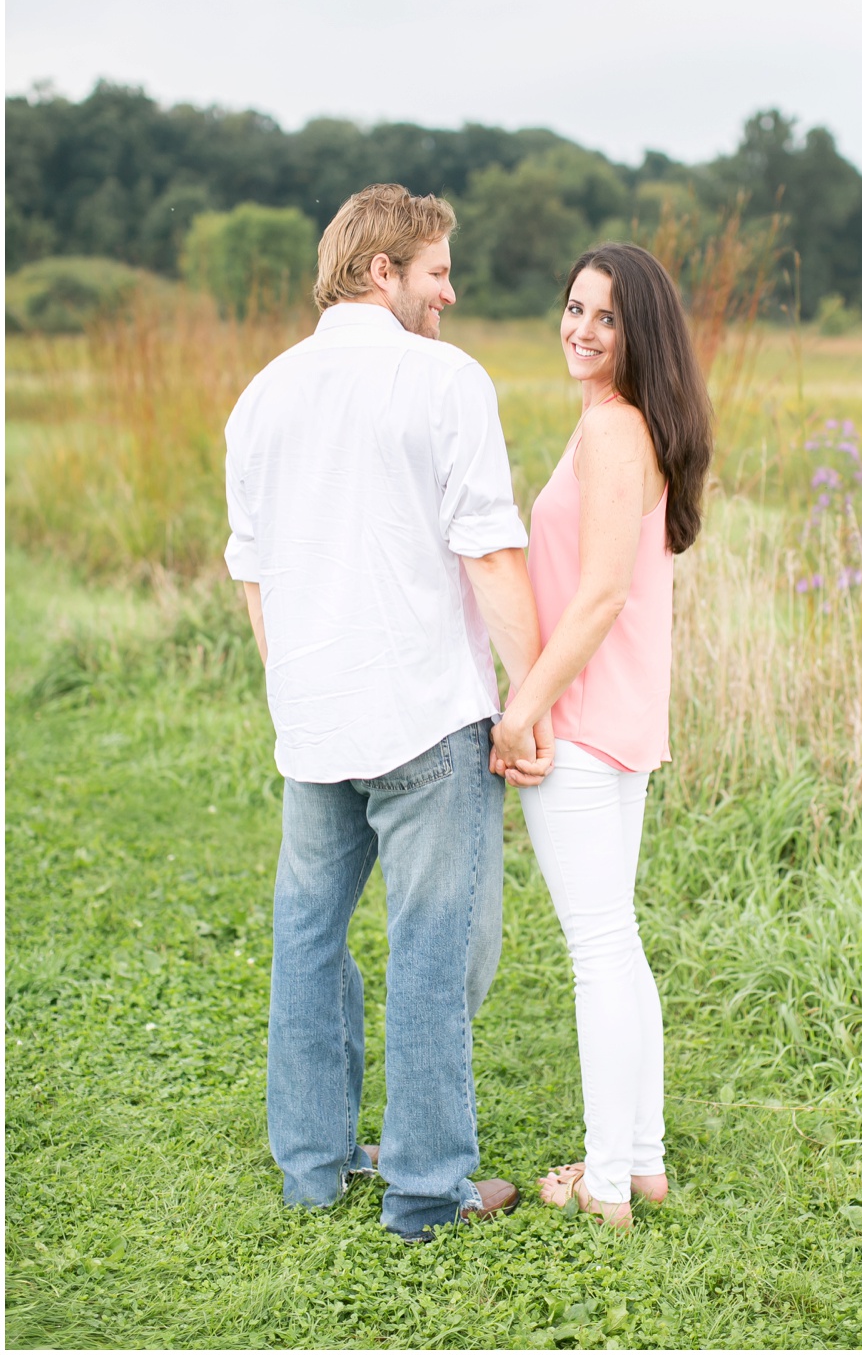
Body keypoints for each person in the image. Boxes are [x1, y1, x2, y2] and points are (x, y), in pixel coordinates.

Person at [226, 184, 554, 1242]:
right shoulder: (443, 380)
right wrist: (529, 696)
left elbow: (254, 573)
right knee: (432, 947)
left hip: (315, 722)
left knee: (307, 942)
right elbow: (491, 550)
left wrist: (299, 685)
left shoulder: (261, 397)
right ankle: (423, 1193)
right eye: (437, 270)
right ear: (383, 270)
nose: (449, 292)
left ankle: (313, 1171)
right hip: (425, 715)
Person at [494, 242, 713, 1230]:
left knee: (597, 951)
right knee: (615, 945)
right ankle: (645, 1163)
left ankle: (610, 1186)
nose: (580, 328)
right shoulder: (613, 421)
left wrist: (523, 705)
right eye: (573, 306)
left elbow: (599, 595)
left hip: (581, 723)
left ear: (639, 333)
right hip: (612, 718)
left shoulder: (615, 429)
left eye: (605, 316)